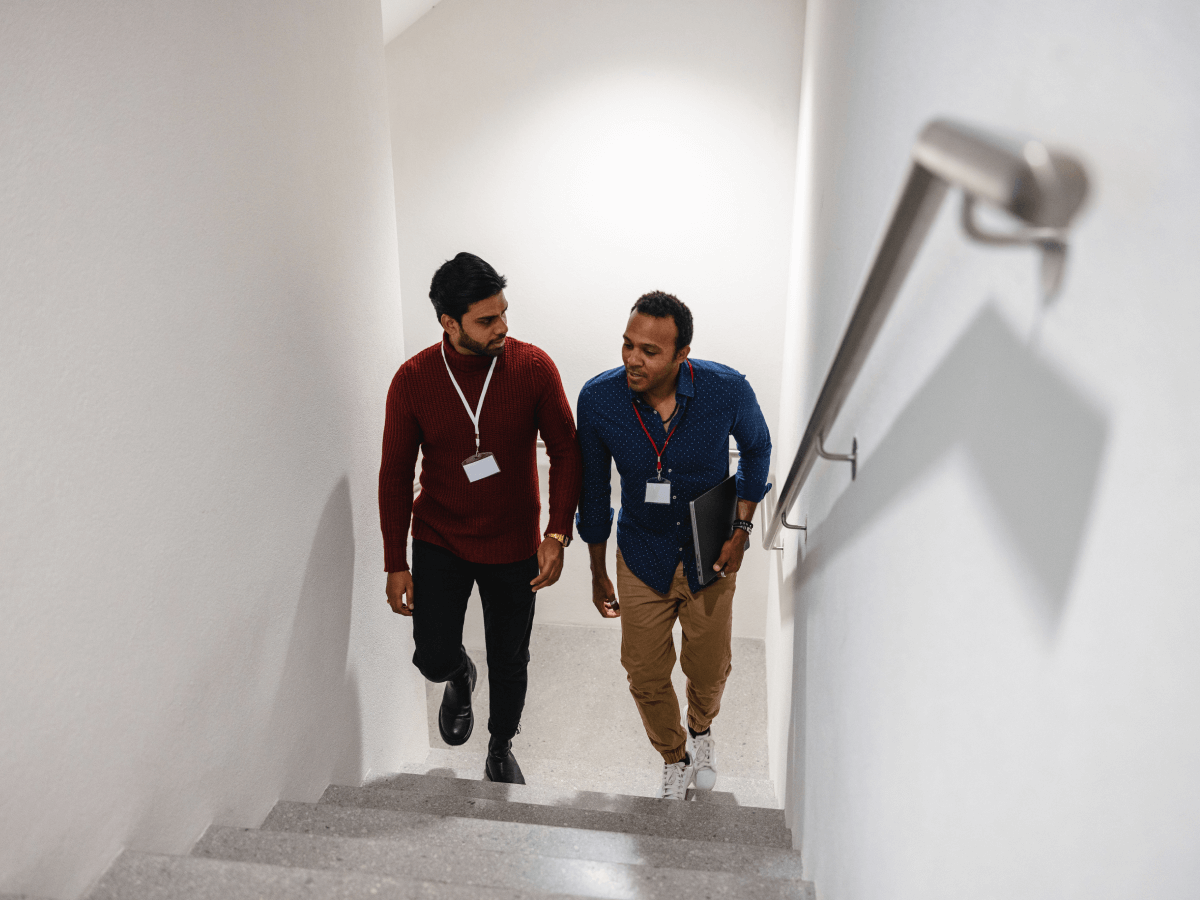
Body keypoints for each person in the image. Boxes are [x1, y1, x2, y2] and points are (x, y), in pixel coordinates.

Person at [379, 252, 582, 784]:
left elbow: (567, 450)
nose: (503, 327)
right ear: (450, 323)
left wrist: (557, 533)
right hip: (440, 535)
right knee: (432, 656)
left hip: (514, 541)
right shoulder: (413, 380)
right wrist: (395, 561)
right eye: (487, 319)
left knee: (510, 657)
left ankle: (499, 746)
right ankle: (458, 675)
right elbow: (395, 474)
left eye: (504, 312)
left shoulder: (533, 367)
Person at [575, 291, 771, 800]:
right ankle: (674, 755)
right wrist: (597, 570)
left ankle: (702, 729)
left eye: (650, 351)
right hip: (641, 553)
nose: (633, 359)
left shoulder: (725, 389)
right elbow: (593, 491)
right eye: (628, 345)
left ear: (682, 354)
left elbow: (757, 447)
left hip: (710, 551)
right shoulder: (598, 399)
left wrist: (742, 530)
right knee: (643, 672)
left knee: (708, 670)